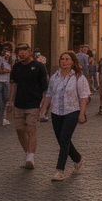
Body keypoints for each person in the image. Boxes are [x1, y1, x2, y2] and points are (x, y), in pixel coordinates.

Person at [40, 51, 90, 181]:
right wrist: (42, 110)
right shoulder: (54, 77)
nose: (64, 62)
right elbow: (49, 95)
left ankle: (60, 170)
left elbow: (84, 97)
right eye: (62, 59)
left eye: (67, 59)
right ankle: (78, 159)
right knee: (62, 140)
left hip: (72, 110)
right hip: (56, 111)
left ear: (72, 62)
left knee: (64, 139)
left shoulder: (79, 77)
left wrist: (81, 114)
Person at [7, 43, 48, 169]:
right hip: (19, 104)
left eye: (24, 51)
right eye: (19, 51)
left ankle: (31, 156)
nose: (21, 54)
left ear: (30, 52)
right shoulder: (16, 67)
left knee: (31, 130)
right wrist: (10, 102)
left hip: (33, 104)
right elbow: (13, 85)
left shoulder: (39, 67)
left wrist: (43, 107)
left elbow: (45, 89)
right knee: (20, 130)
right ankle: (27, 153)